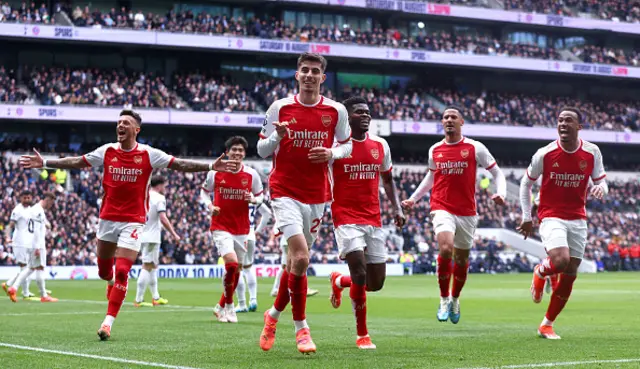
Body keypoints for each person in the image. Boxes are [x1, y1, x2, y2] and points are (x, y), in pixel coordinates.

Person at [19, 109, 239, 341]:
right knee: (105, 271)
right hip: (107, 219)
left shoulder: (148, 154)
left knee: (123, 271)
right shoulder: (107, 151)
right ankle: (110, 281)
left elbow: (179, 164)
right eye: (119, 122)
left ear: (137, 130)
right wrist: (44, 162)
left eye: (126, 122)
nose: (120, 125)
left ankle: (107, 322)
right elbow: (76, 161)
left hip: (133, 221)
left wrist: (210, 167)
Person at [257, 52, 352, 354]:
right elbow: (260, 149)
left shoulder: (336, 111)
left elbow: (348, 145)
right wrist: (277, 138)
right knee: (301, 257)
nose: (309, 75)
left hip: (317, 195)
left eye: (315, 71)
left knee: (293, 264)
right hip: (284, 190)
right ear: (296, 75)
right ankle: (302, 329)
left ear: (322, 78)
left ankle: (272, 316)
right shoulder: (280, 108)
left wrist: (332, 154)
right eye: (304, 70)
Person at [402, 106, 506, 324]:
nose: (449, 120)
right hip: (441, 206)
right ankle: (443, 298)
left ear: (461, 122)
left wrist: (501, 193)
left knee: (461, 259)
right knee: (446, 248)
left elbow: (497, 172)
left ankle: (455, 298)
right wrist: (414, 198)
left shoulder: (475, 147)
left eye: (453, 117)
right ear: (442, 122)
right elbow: (430, 178)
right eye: (445, 117)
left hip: (467, 212)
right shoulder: (435, 150)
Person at [518, 107, 607, 340]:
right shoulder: (545, 154)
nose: (563, 124)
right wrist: (527, 216)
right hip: (551, 215)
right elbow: (524, 184)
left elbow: (602, 181)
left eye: (569, 120)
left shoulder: (591, 152)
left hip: (578, 218)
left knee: (570, 273)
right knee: (560, 260)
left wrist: (600, 188)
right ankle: (541, 271)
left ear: (579, 126)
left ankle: (546, 324)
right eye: (560, 120)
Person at [328, 96, 405, 349]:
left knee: (375, 283)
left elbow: (388, 180)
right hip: (345, 217)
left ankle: (340, 281)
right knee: (359, 270)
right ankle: (362, 334)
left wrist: (397, 208)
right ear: (347, 117)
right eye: (359, 112)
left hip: (373, 218)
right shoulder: (336, 146)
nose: (366, 115)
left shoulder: (380, 145)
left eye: (368, 112)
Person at [200, 136, 263, 324]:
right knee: (231, 265)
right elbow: (204, 192)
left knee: (236, 271)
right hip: (221, 226)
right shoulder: (216, 172)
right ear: (227, 152)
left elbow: (261, 196)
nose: (237, 153)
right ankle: (229, 307)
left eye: (241, 150)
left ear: (244, 154)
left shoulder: (252, 174)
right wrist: (210, 206)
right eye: (234, 150)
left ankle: (220, 306)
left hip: (242, 228)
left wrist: (253, 199)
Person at [134, 175, 179, 307]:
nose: (165, 188)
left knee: (153, 265)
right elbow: (163, 218)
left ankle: (156, 297)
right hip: (152, 237)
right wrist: (174, 234)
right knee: (147, 265)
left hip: (143, 234)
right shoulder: (159, 198)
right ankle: (139, 299)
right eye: (164, 185)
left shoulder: (144, 196)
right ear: (159, 185)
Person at [5, 192, 58, 302]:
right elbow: (37, 231)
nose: (51, 206)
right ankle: (43, 295)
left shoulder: (34, 209)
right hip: (36, 244)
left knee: (30, 268)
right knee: (39, 268)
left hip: (31, 243)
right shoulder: (38, 211)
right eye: (51, 203)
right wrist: (38, 247)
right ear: (47, 200)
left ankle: (13, 287)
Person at [235, 201, 272, 313]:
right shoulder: (252, 197)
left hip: (238, 234)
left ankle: (242, 303)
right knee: (248, 267)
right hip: (250, 235)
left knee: (237, 269)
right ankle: (253, 300)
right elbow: (267, 213)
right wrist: (257, 231)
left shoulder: (235, 193)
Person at [3, 190, 35, 300]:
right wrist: (7, 236)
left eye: (28, 198)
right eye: (24, 198)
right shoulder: (17, 210)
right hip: (19, 243)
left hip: (29, 242)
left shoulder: (32, 209)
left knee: (28, 268)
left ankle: (9, 283)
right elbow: (10, 225)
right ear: (20, 198)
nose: (27, 200)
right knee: (25, 267)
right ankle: (24, 293)